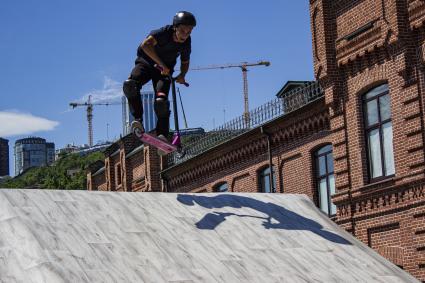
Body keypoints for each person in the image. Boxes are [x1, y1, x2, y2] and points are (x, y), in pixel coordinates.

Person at [123, 11, 196, 143]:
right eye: (183, 31)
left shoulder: (186, 43)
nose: (185, 35)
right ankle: (138, 120)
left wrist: (182, 75)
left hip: (164, 73)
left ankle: (162, 134)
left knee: (161, 101)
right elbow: (145, 45)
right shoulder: (162, 33)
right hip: (145, 63)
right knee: (130, 85)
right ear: (175, 27)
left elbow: (185, 62)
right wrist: (161, 64)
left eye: (189, 32)